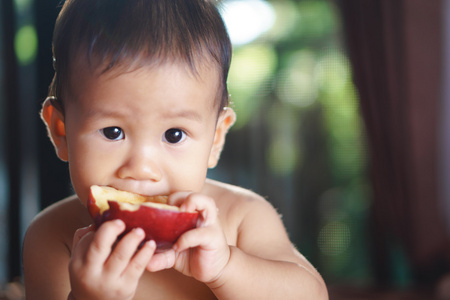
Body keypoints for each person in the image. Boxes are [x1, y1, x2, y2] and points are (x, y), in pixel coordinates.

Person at [23, 0, 328, 299]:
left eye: (174, 134)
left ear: (216, 138)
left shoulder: (242, 218)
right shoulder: (53, 237)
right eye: (113, 132)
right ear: (61, 132)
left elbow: (313, 295)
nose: (141, 167)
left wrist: (226, 268)